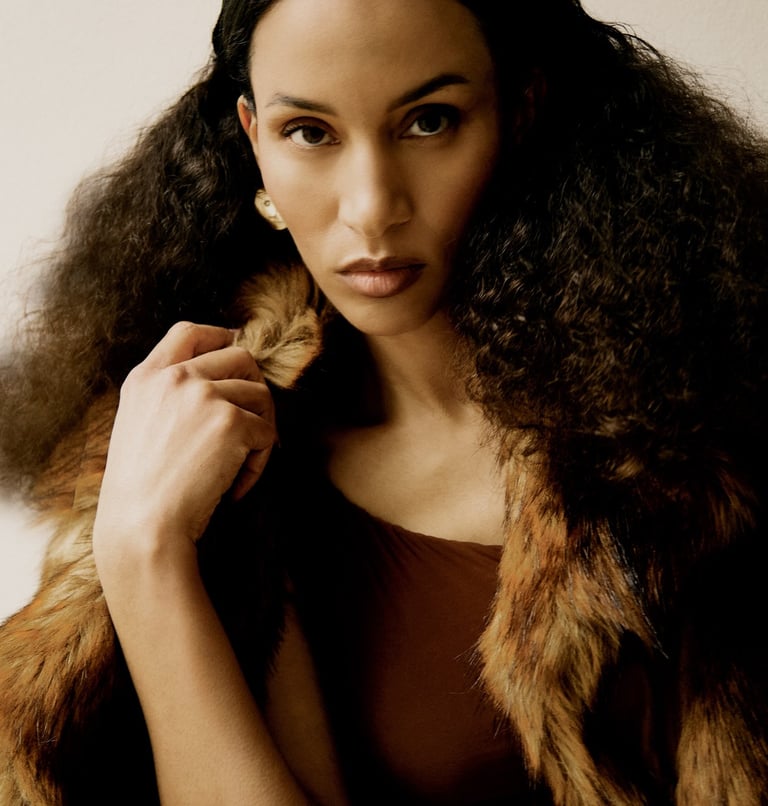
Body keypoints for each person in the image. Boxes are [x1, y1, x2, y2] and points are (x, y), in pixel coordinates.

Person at [0, 0, 766, 803]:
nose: (371, 207)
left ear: (519, 112)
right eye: (309, 132)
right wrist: (142, 551)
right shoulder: (227, 463)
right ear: (254, 139)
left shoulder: (703, 447)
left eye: (429, 121)